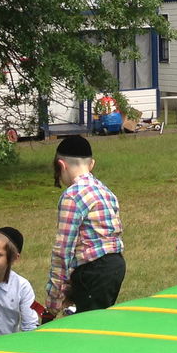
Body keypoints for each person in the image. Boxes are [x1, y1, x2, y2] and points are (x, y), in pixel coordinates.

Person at [46, 134, 125, 317]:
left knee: (88, 326)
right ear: (92, 164)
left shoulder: (72, 196)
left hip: (94, 270)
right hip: (115, 265)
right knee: (98, 318)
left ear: (61, 165)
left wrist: (53, 301)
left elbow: (63, 250)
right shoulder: (106, 192)